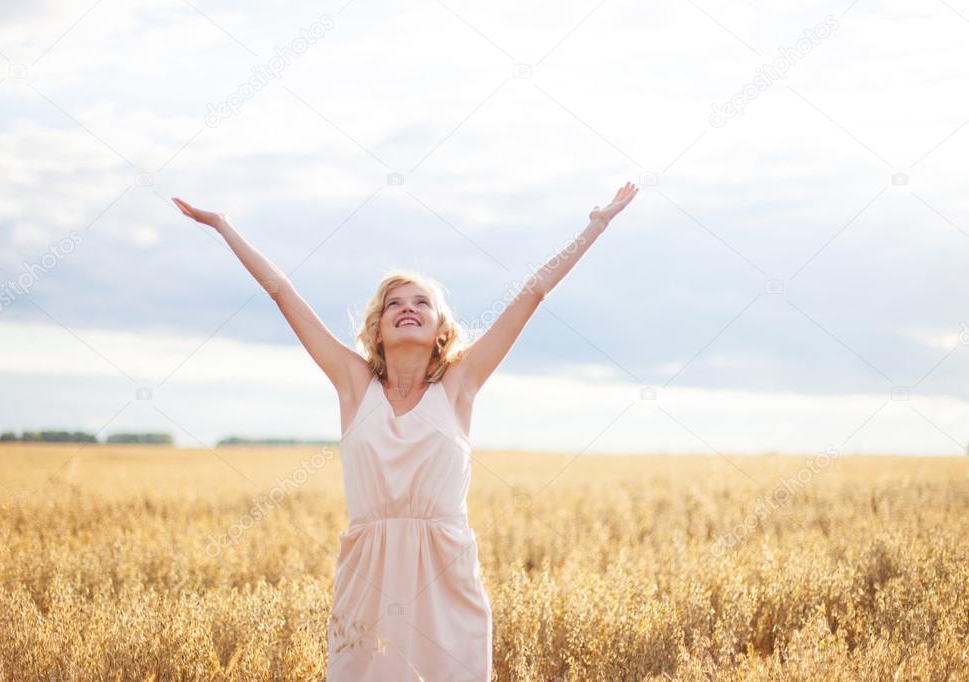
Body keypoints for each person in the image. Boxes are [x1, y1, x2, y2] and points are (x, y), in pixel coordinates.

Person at [171, 181, 639, 680]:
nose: (408, 308)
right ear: (376, 329)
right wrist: (223, 226)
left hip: (446, 579)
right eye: (394, 304)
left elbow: (533, 293)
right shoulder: (353, 385)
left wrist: (596, 224)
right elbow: (282, 292)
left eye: (422, 302)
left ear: (442, 329)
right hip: (368, 580)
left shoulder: (459, 386)